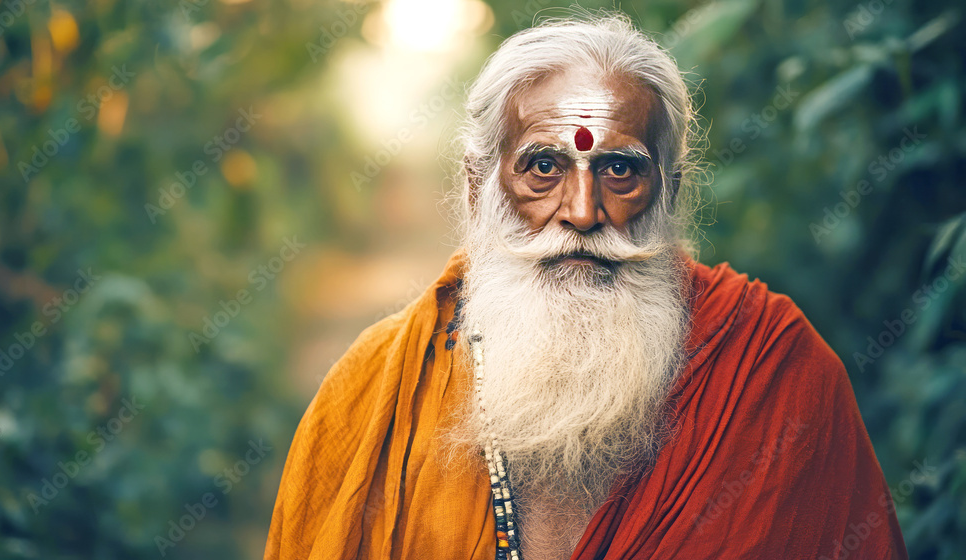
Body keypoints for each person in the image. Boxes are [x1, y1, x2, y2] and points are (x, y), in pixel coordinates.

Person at [264, 13, 907, 560]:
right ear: (476, 187)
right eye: (543, 166)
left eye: (620, 170)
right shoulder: (374, 392)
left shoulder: (776, 374)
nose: (580, 211)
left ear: (670, 191)